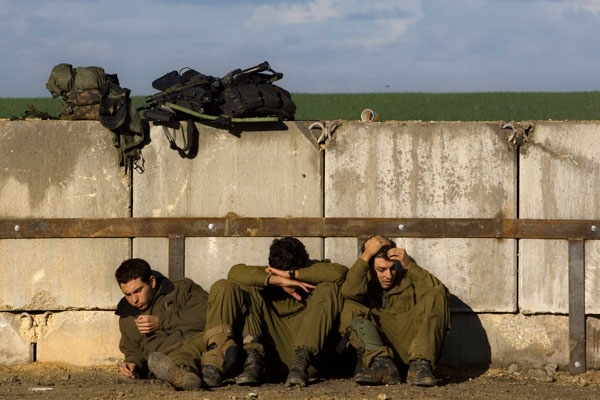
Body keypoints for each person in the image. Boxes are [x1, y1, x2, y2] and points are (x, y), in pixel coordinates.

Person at [199, 237, 348, 388]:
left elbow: (340, 273)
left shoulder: (315, 271)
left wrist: (293, 275)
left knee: (329, 289)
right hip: (270, 352)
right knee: (243, 286)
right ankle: (251, 360)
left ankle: (301, 358)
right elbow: (234, 272)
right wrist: (279, 281)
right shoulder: (270, 274)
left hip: (308, 360)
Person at [339, 235, 450, 387]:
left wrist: (409, 265)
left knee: (436, 293)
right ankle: (383, 365)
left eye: (392, 268)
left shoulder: (409, 281)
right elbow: (349, 292)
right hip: (379, 354)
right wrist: (366, 255)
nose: (388, 276)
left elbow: (439, 293)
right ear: (370, 267)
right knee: (351, 305)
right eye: (381, 270)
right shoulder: (363, 285)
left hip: (413, 352)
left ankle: (420, 366)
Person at [114, 258, 210, 390]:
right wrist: (132, 364)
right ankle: (183, 376)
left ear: (152, 282)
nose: (134, 300)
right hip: (171, 354)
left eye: (138, 291)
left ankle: (186, 374)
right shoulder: (127, 316)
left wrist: (162, 321)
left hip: (201, 343)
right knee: (162, 355)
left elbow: (208, 314)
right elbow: (134, 350)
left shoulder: (180, 289)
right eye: (127, 294)